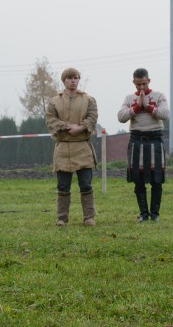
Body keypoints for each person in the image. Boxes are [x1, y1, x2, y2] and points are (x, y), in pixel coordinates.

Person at [46, 67, 98, 227]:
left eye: (75, 78)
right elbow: (50, 120)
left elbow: (92, 117)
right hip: (63, 149)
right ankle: (62, 219)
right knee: (62, 186)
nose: (73, 81)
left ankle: (89, 218)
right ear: (64, 80)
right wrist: (67, 126)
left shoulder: (89, 100)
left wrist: (81, 128)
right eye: (69, 78)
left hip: (82, 148)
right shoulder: (54, 101)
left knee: (86, 185)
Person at [118, 68, 169, 222]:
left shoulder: (159, 96)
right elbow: (121, 117)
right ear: (134, 82)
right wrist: (137, 106)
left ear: (149, 81)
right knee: (138, 179)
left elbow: (165, 114)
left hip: (155, 138)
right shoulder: (128, 98)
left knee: (157, 179)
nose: (141, 88)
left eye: (144, 84)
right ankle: (143, 214)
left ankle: (155, 214)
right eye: (138, 84)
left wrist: (148, 106)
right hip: (137, 139)